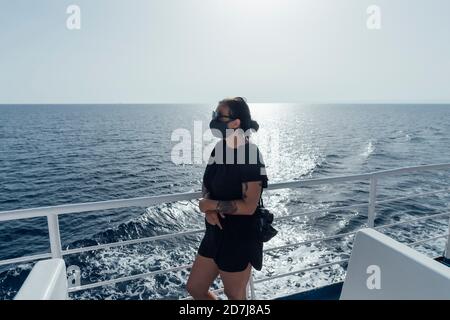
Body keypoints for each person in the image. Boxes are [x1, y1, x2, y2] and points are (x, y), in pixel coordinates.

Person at [186, 97, 268, 300]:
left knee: (235, 296)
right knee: (195, 288)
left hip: (239, 238)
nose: (214, 120)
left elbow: (249, 206)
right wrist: (210, 209)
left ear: (236, 122)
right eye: (214, 115)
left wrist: (208, 205)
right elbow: (207, 182)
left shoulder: (250, 154)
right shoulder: (219, 149)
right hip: (214, 234)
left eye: (219, 116)